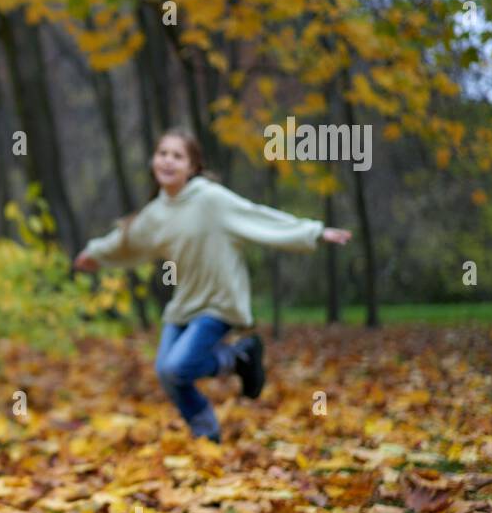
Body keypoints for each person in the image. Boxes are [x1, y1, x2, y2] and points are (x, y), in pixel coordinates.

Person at [74, 130, 351, 443]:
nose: (167, 161)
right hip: (185, 304)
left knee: (179, 367)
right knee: (167, 373)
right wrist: (95, 253)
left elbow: (258, 217)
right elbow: (126, 240)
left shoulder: (211, 199)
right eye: (162, 153)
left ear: (192, 167)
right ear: (153, 160)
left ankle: (237, 359)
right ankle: (206, 433)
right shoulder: (156, 213)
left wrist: (313, 232)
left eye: (177, 156)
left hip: (220, 302)